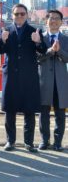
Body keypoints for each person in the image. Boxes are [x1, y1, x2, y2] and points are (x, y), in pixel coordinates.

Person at [0, 3, 47, 152]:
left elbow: (43, 51)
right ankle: (10, 141)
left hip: (28, 76)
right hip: (11, 76)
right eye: (16, 14)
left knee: (29, 111)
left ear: (26, 15)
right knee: (10, 111)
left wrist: (38, 41)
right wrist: (3, 40)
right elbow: (0, 51)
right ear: (12, 15)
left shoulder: (35, 30)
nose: (19, 16)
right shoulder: (6, 30)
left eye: (22, 14)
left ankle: (28, 143)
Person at [38, 9, 67, 151]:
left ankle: (57, 142)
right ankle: (44, 141)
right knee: (43, 113)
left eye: (57, 18)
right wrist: (50, 50)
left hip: (60, 83)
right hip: (44, 81)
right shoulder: (39, 38)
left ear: (61, 22)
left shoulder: (66, 39)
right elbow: (36, 57)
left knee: (60, 114)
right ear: (46, 21)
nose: (53, 20)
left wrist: (59, 51)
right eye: (51, 18)